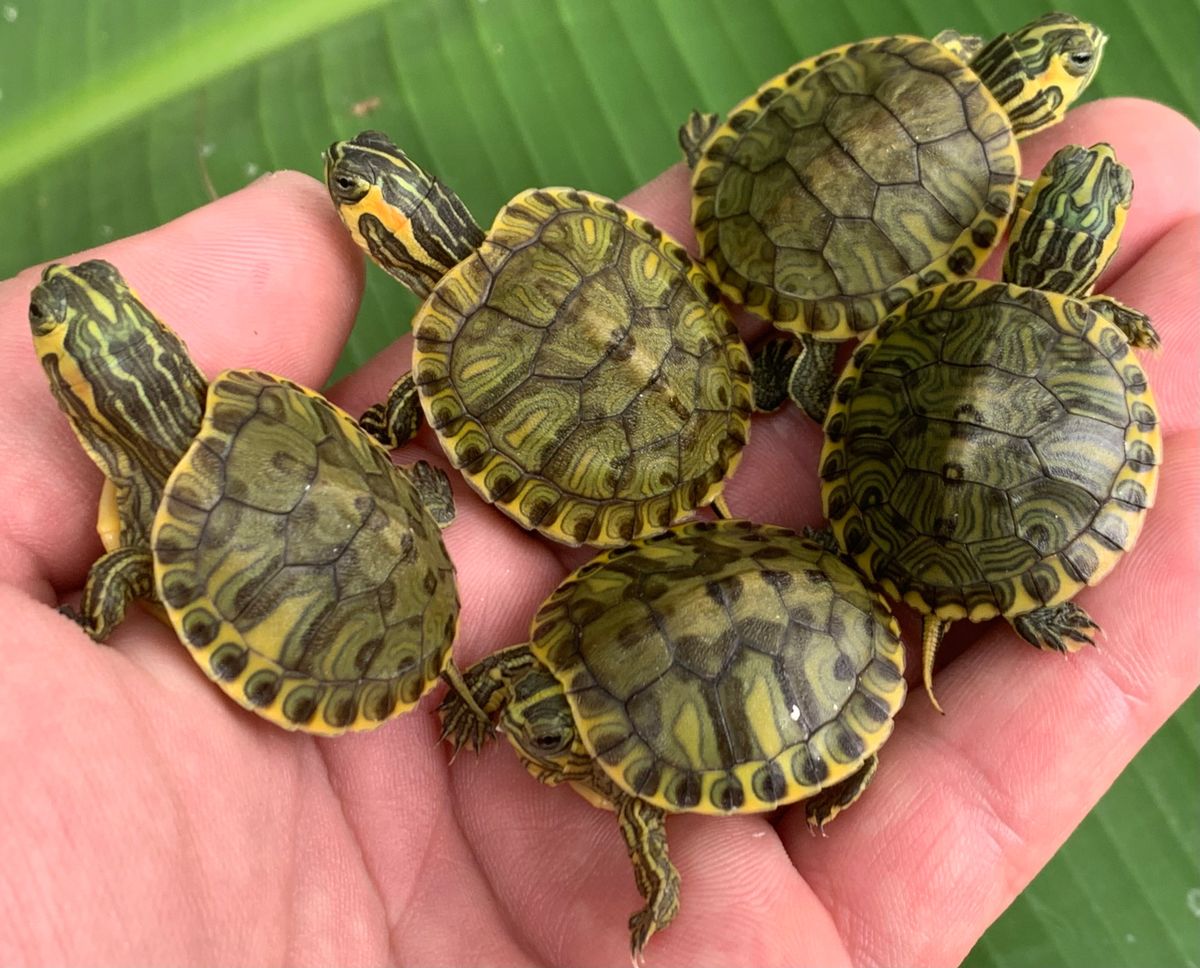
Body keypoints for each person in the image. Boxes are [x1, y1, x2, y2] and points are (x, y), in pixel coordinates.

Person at [0, 97, 1195, 966]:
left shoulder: (406, 387)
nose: (368, 202)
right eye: (371, 205)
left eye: (376, 204)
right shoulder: (527, 260)